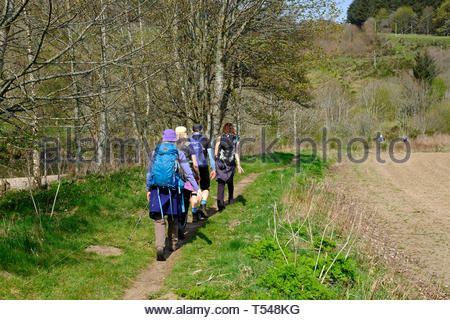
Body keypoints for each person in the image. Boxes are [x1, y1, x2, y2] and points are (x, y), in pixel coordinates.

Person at [146, 129, 202, 261]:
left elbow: (149, 172)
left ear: (164, 138)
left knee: (159, 219)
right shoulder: (178, 153)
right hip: (173, 190)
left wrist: (148, 188)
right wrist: (197, 188)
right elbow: (188, 173)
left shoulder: (156, 151)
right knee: (173, 217)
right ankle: (173, 243)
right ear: (174, 140)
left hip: (157, 189)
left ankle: (160, 245)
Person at [175, 126, 200, 239]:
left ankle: (174, 228)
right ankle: (181, 227)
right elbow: (195, 164)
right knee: (185, 203)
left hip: (174, 180)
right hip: (186, 179)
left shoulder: (172, 145)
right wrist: (197, 175)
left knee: (176, 203)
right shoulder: (189, 146)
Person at [189, 124, 216, 221]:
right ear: (201, 130)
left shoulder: (188, 140)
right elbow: (211, 156)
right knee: (205, 188)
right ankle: (203, 206)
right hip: (203, 167)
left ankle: (194, 213)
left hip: (192, 168)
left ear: (192, 131)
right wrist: (214, 169)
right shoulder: (206, 140)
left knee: (193, 191)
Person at [214, 123, 243, 211]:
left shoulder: (220, 138)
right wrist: (238, 165)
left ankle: (220, 204)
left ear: (224, 129)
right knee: (230, 181)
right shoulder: (236, 138)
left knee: (221, 183)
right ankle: (230, 200)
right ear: (232, 129)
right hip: (230, 163)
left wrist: (216, 161)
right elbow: (236, 152)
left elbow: (215, 152)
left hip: (221, 163)